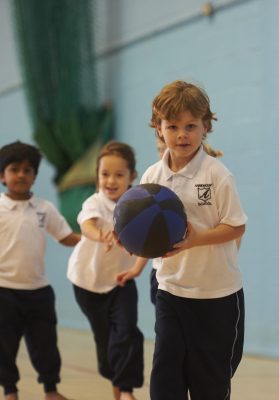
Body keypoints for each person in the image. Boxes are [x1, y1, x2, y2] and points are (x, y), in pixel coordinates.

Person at [117, 80, 247, 400]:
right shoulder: (151, 177)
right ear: (159, 129)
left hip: (216, 295)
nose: (182, 134)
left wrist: (197, 238)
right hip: (171, 291)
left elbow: (236, 227)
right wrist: (131, 238)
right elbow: (140, 226)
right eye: (172, 126)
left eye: (191, 126)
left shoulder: (218, 175)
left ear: (206, 127)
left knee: (209, 383)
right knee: (165, 381)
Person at [0, 141, 81, 400]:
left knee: (46, 345)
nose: (21, 175)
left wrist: (94, 238)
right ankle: (10, 390)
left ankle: (51, 390)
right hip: (4, 291)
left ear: (34, 175)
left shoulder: (45, 209)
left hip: (39, 292)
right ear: (2, 175)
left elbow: (66, 236)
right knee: (4, 346)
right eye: (14, 169)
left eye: (27, 170)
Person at [67, 141, 144, 400]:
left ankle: (125, 391)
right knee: (107, 341)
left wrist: (137, 266)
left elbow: (147, 239)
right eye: (104, 174)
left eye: (119, 175)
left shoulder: (138, 205)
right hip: (86, 283)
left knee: (127, 332)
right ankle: (117, 384)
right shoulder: (94, 202)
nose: (111, 181)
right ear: (97, 175)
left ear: (131, 176)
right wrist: (101, 235)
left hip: (121, 282)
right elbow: (86, 226)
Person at [149, 136, 224, 305]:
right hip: (165, 275)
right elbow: (146, 227)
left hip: (203, 280)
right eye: (161, 149)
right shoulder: (156, 180)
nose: (165, 154)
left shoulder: (213, 177)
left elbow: (235, 228)